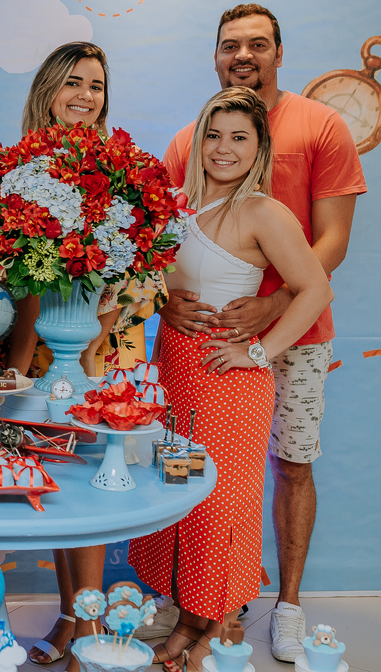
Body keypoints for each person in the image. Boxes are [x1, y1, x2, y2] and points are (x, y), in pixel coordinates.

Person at [158, 4, 365, 661]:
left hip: (283, 334)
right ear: (216, 55)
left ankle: (285, 604)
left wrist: (268, 319)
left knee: (284, 466)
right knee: (190, 478)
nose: (242, 55)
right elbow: (160, 248)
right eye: (230, 45)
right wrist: (164, 303)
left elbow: (328, 248)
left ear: (278, 51)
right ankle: (204, 607)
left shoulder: (320, 126)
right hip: (194, 357)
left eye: (257, 44)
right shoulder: (188, 144)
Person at [130, 87, 332, 669]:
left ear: (259, 147)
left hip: (227, 383)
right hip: (175, 374)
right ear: (198, 141)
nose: (224, 148)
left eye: (239, 137)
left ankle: (216, 634)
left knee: (220, 507)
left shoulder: (263, 212)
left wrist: (260, 352)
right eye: (213, 135)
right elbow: (155, 279)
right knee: (182, 499)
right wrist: (162, 301)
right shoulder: (177, 205)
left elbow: (315, 289)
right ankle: (187, 622)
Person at [17, 42, 165, 669]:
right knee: (58, 490)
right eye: (73, 82)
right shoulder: (20, 171)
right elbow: (21, 281)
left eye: (96, 85)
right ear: (48, 90)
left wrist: (91, 340)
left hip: (98, 357)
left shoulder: (124, 170)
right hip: (42, 358)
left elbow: (146, 274)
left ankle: (89, 626)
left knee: (90, 492)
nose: (85, 95)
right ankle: (71, 614)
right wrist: (26, 362)